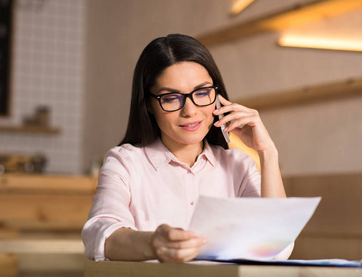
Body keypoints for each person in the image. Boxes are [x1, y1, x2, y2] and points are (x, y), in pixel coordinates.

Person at [82, 34, 292, 263]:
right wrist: (154, 244)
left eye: (202, 93)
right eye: (171, 98)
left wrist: (268, 152)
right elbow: (99, 235)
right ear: (149, 105)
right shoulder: (125, 162)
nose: (190, 111)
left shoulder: (238, 165)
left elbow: (277, 247)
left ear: (217, 95)